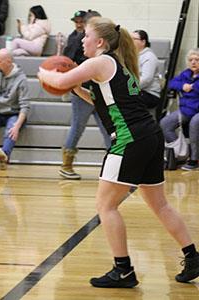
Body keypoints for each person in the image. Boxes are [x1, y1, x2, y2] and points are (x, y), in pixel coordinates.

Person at [38, 17, 199, 288]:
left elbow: (60, 76)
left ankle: (122, 270)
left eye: (86, 36)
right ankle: (193, 256)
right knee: (159, 204)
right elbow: (104, 103)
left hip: (129, 139)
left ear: (99, 41)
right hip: (148, 135)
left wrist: (45, 73)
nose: (82, 41)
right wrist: (77, 89)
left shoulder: (100, 61)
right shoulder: (117, 64)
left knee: (105, 206)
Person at [60, 10, 111, 180]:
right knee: (78, 128)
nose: (78, 23)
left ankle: (112, 165)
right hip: (82, 91)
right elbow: (66, 62)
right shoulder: (77, 39)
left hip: (100, 91)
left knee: (108, 129)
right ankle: (66, 165)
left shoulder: (102, 42)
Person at [160, 48, 199, 171]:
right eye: (191, 60)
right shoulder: (185, 74)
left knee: (194, 124)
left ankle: (194, 159)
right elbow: (172, 83)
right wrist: (183, 86)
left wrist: (193, 86)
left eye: (197, 60)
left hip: (197, 110)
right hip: (187, 109)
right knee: (165, 123)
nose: (193, 62)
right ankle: (180, 152)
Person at [0, 48, 30, 170]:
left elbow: (25, 106)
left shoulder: (21, 79)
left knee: (12, 128)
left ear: (8, 62)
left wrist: (17, 126)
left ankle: (4, 156)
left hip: (14, 113)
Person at [131, 30, 161, 114]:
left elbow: (146, 79)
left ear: (143, 42)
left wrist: (128, 88)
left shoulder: (149, 57)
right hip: (139, 91)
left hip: (150, 94)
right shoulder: (134, 56)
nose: (130, 41)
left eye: (134, 39)